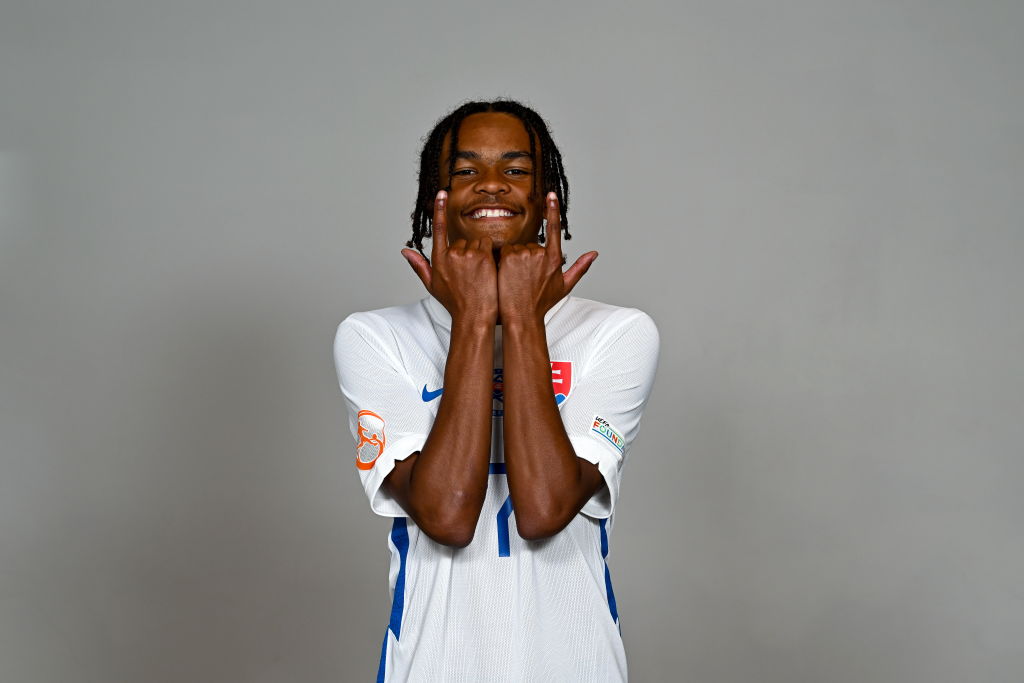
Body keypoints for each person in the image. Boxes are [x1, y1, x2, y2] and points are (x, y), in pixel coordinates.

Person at [333, 100, 659, 682]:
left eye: (516, 170)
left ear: (545, 199)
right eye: (464, 170)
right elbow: (447, 516)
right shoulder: (374, 337)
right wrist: (477, 318)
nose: (490, 185)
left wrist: (523, 316)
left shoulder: (616, 332)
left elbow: (544, 510)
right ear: (434, 201)